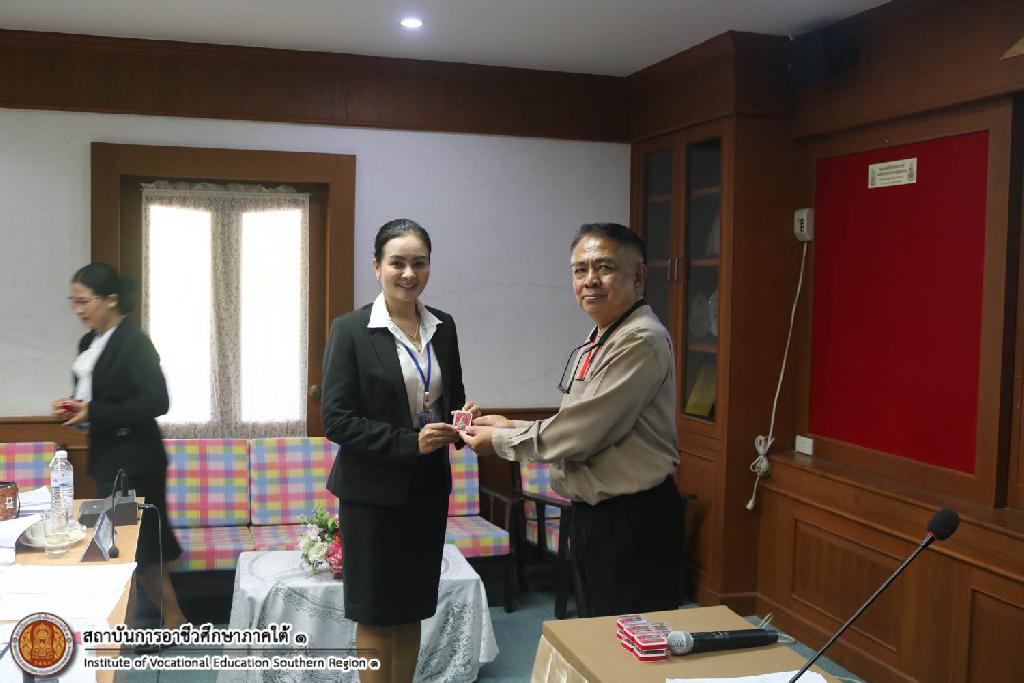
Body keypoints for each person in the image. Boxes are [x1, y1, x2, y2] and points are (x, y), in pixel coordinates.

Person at [461, 222, 686, 617]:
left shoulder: (640, 340)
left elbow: (582, 434)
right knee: (597, 630)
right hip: (595, 513)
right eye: (580, 270)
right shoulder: (602, 335)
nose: (589, 280)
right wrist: (508, 426)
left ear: (638, 276)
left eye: (605, 267)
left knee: (628, 636)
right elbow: (579, 419)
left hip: (631, 517)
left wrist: (499, 441)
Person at [321, 218, 479, 683]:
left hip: (427, 489)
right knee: (374, 612)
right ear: (377, 266)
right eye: (397, 263)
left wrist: (463, 420)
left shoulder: (443, 326)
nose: (409, 273)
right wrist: (410, 443)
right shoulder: (351, 329)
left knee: (412, 608)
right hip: (371, 493)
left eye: (419, 263)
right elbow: (337, 419)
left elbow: (451, 396)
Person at [51, 262, 188, 631]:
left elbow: (157, 402)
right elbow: (95, 400)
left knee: (135, 546)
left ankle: (162, 622)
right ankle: (159, 622)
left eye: (85, 301)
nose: (78, 310)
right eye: (74, 302)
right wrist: (75, 410)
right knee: (124, 545)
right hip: (107, 457)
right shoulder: (88, 342)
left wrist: (94, 411)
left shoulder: (134, 342)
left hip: (136, 460)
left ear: (110, 299)